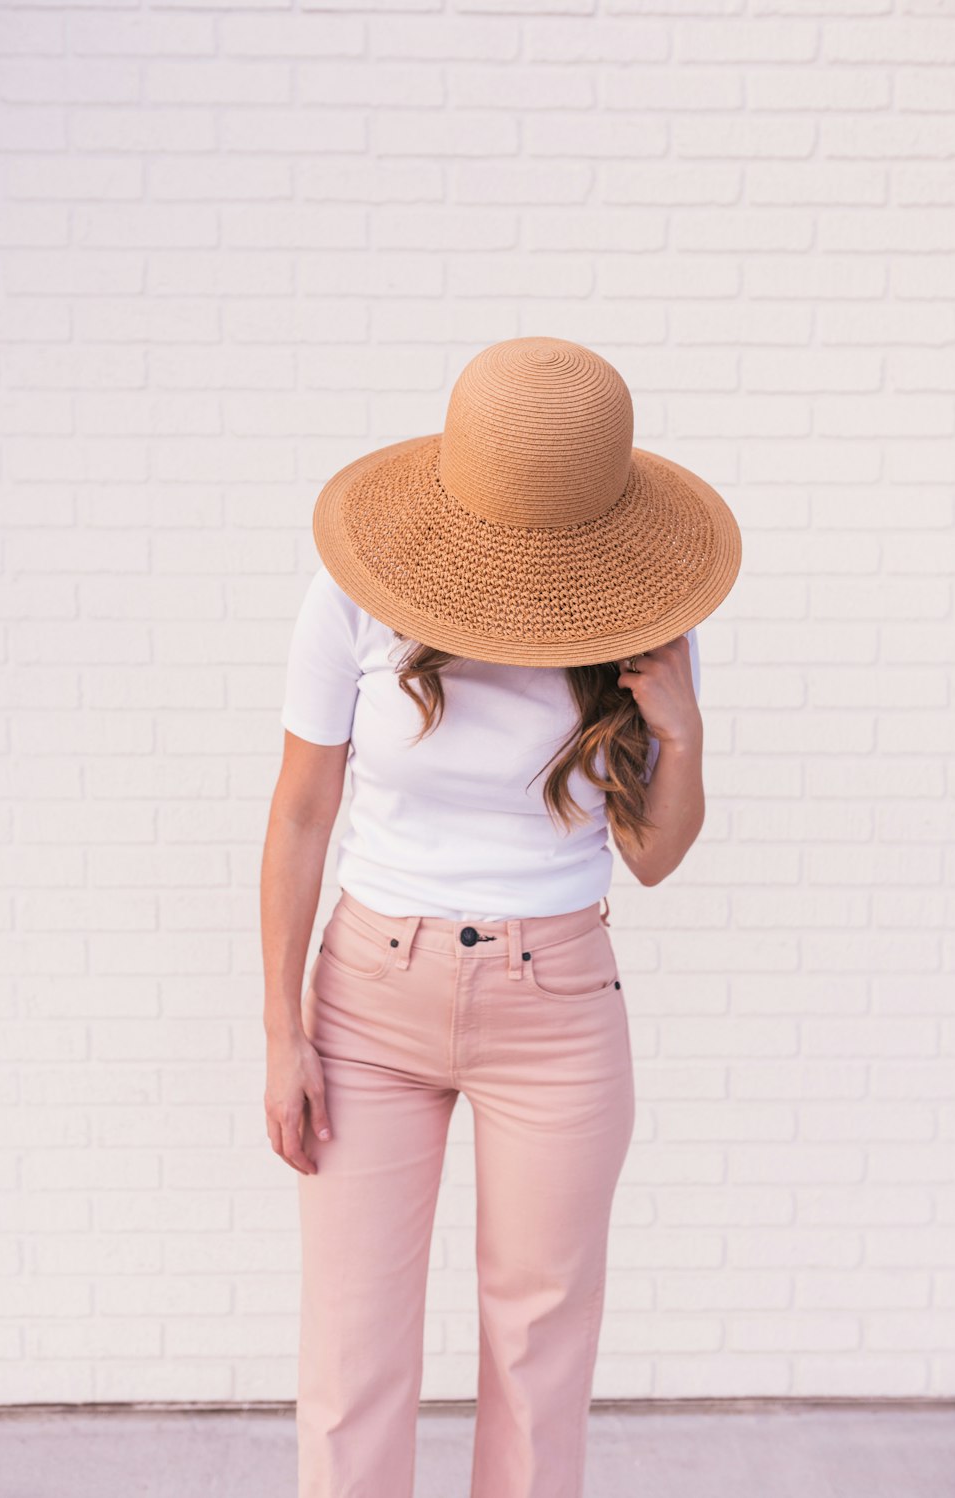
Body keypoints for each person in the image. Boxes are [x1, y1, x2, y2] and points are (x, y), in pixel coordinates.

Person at [260, 336, 742, 1498]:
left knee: (538, 1355)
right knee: (352, 1353)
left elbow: (655, 857)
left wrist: (680, 730)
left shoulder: (642, 625)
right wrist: (283, 1034)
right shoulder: (355, 601)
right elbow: (298, 818)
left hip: (560, 1004)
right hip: (369, 994)